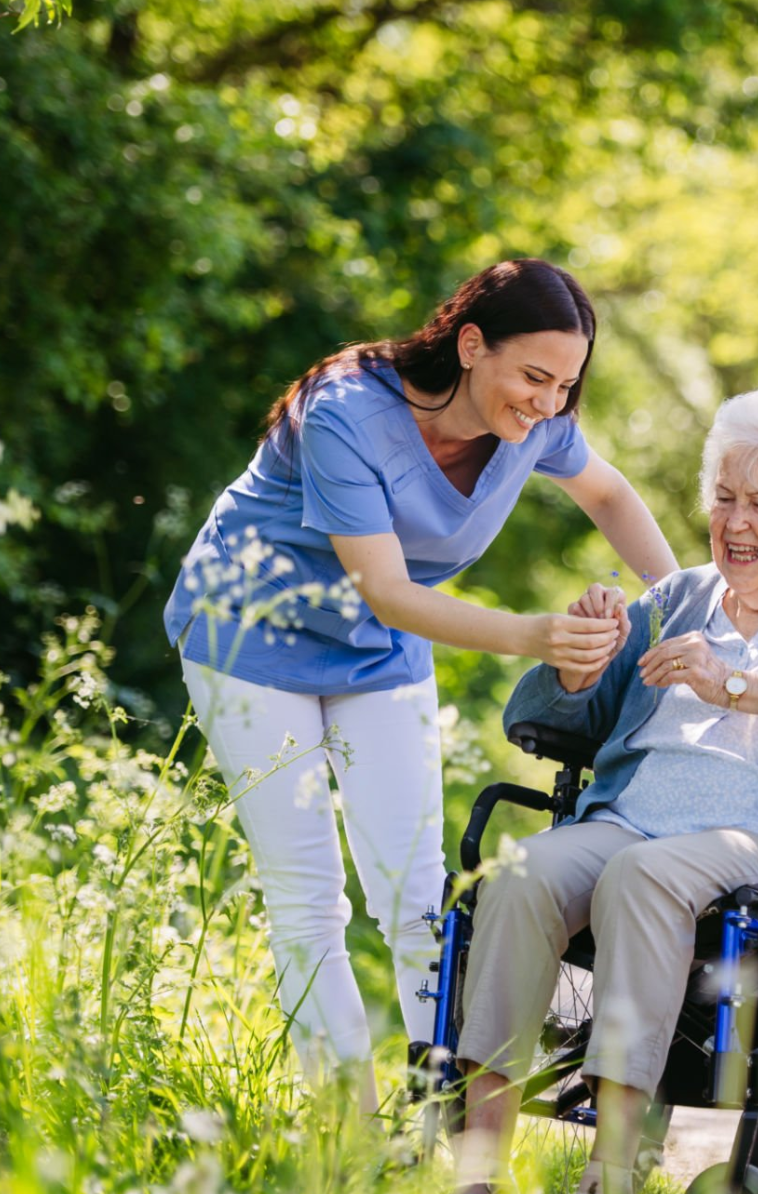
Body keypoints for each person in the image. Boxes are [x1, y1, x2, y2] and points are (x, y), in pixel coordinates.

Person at [161, 259, 678, 1116]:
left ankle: (446, 1119)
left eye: (565, 385)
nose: (548, 403)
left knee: (414, 892)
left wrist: (687, 606)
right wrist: (532, 636)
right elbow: (389, 591)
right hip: (248, 638)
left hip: (376, 654)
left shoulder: (539, 425)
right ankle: (350, 1134)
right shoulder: (345, 412)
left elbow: (611, 496)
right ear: (471, 345)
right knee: (307, 895)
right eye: (534, 377)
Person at [447, 388, 758, 1194]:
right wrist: (580, 664)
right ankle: (476, 1183)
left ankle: (606, 1192)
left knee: (644, 876)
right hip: (627, 819)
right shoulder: (675, 597)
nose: (734, 522)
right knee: (518, 876)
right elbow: (544, 721)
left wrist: (739, 686)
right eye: (723, 497)